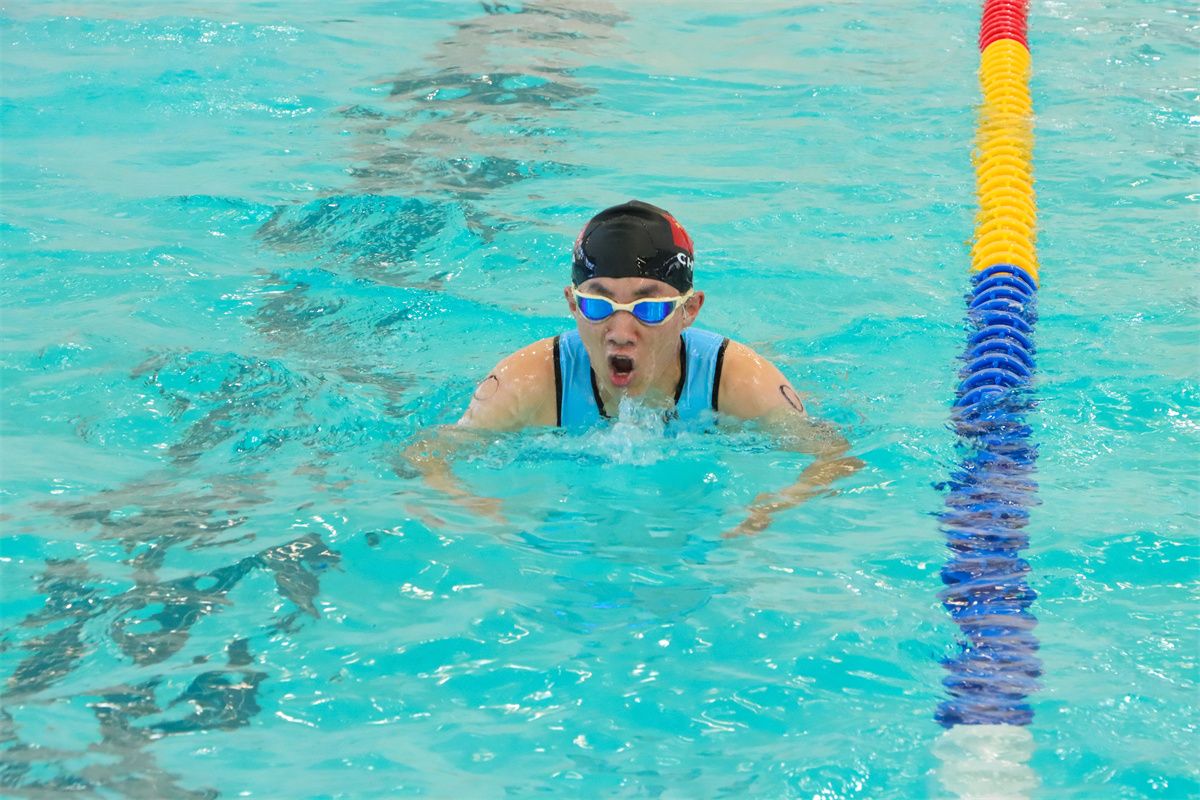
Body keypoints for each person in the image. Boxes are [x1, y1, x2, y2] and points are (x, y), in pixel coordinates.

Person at [414, 200, 861, 535]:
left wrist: (769, 512)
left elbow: (836, 458)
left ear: (689, 311)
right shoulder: (529, 381)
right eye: (598, 304)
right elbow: (425, 457)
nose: (620, 331)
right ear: (572, 304)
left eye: (649, 308)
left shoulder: (739, 381)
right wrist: (481, 515)